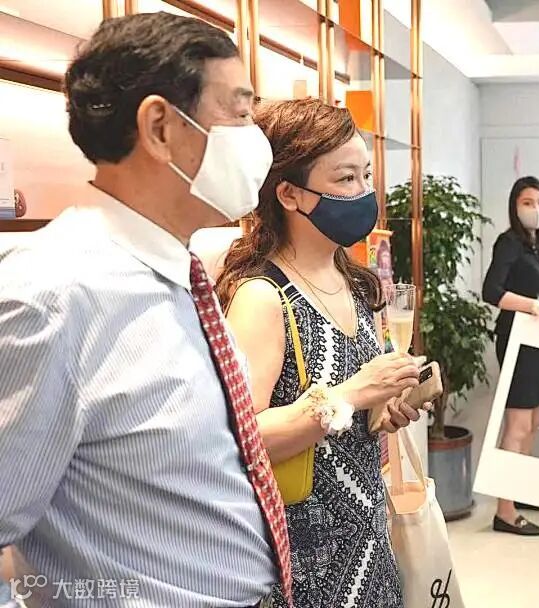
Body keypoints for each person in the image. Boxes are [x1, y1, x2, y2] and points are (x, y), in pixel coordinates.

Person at [0, 13, 288, 606]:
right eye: (239, 113)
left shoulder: (182, 270)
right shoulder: (53, 295)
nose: (254, 137)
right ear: (160, 127)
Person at [216, 98, 424, 607]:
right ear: (289, 193)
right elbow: (241, 438)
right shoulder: (263, 297)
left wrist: (384, 407)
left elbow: (354, 415)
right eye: (345, 179)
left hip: (369, 545)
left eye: (366, 175)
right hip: (304, 563)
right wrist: (352, 394)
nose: (363, 192)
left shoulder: (354, 283)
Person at [482, 176, 539, 536]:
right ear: (515, 206)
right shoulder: (509, 242)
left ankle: (517, 491)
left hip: (536, 340)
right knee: (517, 425)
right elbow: (491, 291)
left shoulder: (534, 246)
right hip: (516, 337)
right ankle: (505, 511)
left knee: (533, 421)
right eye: (528, 202)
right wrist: (537, 306)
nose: (537, 209)